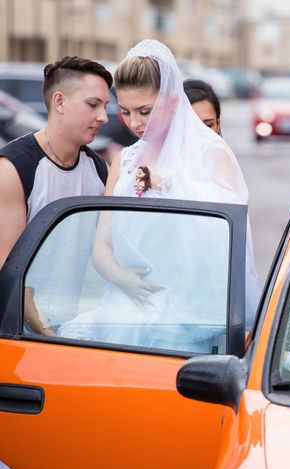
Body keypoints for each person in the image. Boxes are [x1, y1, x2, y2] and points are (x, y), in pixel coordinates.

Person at [57, 39, 260, 352]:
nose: (134, 122)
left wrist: (169, 182)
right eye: (124, 111)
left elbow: (229, 229)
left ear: (174, 100)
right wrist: (121, 278)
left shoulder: (211, 151)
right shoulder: (124, 161)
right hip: (126, 304)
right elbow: (102, 243)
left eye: (145, 111)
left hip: (190, 313)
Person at [0, 56, 112, 335]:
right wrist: (47, 332)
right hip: (16, 332)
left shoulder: (98, 169)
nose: (104, 117)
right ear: (60, 101)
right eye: (93, 104)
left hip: (68, 327)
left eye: (105, 106)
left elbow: (112, 247)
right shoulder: (14, 168)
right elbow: (8, 268)